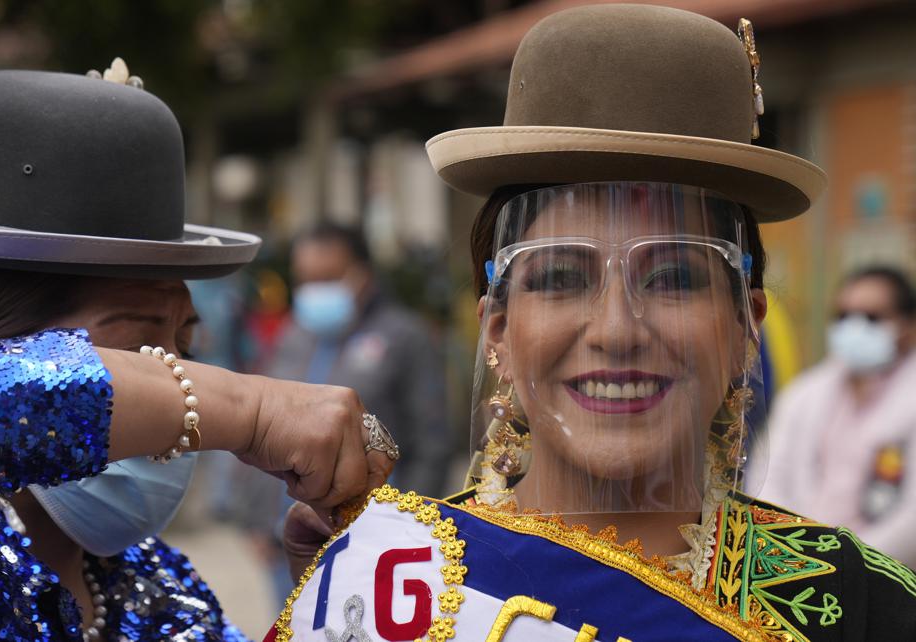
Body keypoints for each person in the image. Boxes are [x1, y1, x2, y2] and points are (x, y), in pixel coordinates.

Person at [273, 6, 916, 642]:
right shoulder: (396, 589)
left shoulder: (859, 603)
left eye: (673, 278)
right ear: (496, 328)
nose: (616, 329)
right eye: (558, 277)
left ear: (746, 324)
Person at [0, 64, 395, 641]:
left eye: (185, 345)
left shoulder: (167, 595)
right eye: (139, 346)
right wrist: (250, 408)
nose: (176, 372)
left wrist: (327, 613)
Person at [269, 222, 450, 497]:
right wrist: (256, 520)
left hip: (374, 520)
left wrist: (410, 518)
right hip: (284, 524)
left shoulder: (405, 337)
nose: (315, 291)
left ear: (363, 273)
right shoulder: (293, 334)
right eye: (306, 280)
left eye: (328, 278)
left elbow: (433, 441)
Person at [752, 266, 916, 567]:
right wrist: (798, 554)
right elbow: (768, 479)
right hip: (800, 563)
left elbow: (910, 522)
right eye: (843, 316)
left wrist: (849, 566)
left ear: (907, 327)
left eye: (871, 318)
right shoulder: (805, 395)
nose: (854, 327)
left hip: (890, 575)